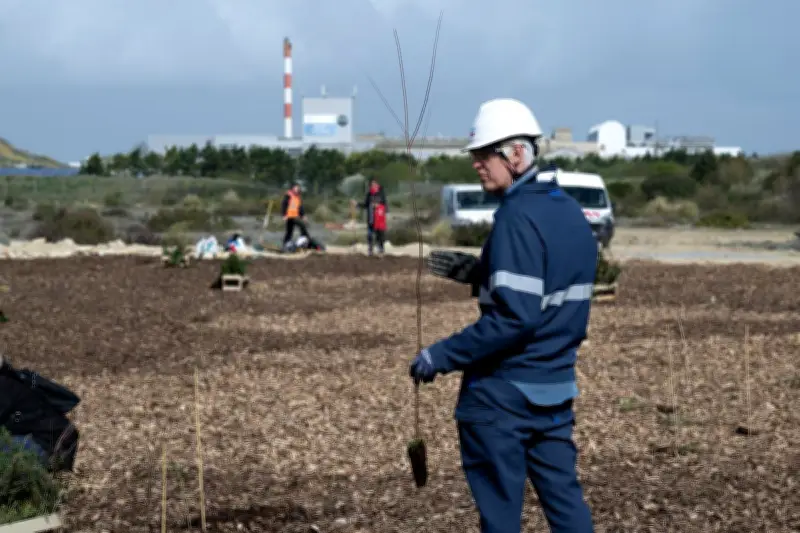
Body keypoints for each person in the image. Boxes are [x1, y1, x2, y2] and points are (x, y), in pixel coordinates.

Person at [409, 98, 596, 533]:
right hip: (555, 387)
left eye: (485, 154)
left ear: (517, 154)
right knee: (567, 509)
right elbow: (550, 290)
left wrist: (440, 355)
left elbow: (516, 319)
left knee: (500, 520)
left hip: (501, 396)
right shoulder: (568, 210)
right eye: (475, 155)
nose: (476, 164)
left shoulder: (515, 216)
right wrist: (481, 274)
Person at [351, 178, 388, 256]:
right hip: (370, 218)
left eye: (374, 184)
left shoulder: (381, 193)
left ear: (377, 185)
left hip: (379, 218)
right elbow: (366, 205)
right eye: (371, 185)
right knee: (370, 235)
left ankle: (381, 249)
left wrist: (378, 206)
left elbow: (385, 206)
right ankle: (370, 250)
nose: (372, 186)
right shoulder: (369, 194)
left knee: (380, 235)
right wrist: (356, 204)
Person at [281, 183, 310, 248]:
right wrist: (284, 215)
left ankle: (306, 240)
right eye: (296, 187)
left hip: (295, 217)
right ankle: (285, 244)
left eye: (298, 188)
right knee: (289, 231)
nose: (297, 189)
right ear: (293, 188)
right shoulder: (288, 196)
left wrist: (303, 216)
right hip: (289, 217)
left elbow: (300, 208)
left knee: (302, 226)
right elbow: (284, 205)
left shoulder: (298, 197)